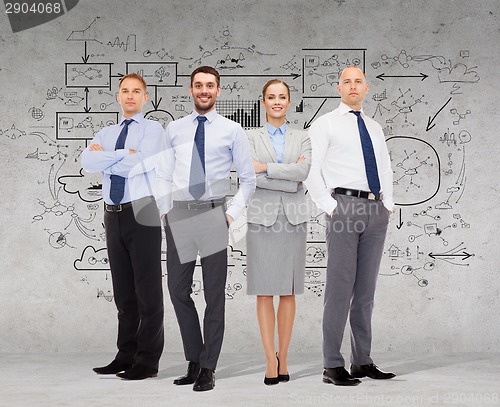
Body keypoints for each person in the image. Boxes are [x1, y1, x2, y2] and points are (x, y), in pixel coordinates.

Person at [157, 66, 256, 392]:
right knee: (177, 291)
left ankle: (208, 367)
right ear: (190, 90)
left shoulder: (232, 130)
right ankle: (194, 359)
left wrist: (230, 215)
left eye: (210, 85)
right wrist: (165, 211)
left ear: (218, 90)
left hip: (214, 213)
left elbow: (248, 179)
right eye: (198, 85)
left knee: (214, 295)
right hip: (180, 215)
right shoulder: (174, 129)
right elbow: (162, 173)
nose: (204, 90)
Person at [305, 66, 395, 386]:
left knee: (366, 291)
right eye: (347, 81)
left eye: (358, 81)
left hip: (375, 210)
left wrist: (388, 205)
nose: (353, 86)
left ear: (366, 88)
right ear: (338, 87)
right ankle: (332, 364)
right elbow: (310, 170)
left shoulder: (374, 127)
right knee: (340, 289)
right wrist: (330, 208)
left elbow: (384, 167)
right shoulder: (325, 123)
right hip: (343, 206)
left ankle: (362, 361)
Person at [81, 73, 164, 380]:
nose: (130, 96)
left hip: (142, 209)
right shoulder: (106, 131)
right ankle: (125, 353)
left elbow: (143, 163)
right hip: (112, 213)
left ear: (145, 98)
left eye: (136, 91)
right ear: (118, 97)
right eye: (125, 91)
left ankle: (147, 359)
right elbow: (86, 162)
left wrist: (108, 159)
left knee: (147, 290)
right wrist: (122, 155)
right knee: (124, 292)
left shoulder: (153, 130)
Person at [245, 79, 311, 385]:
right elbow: (250, 175)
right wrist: (289, 175)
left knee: (288, 290)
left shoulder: (303, 136)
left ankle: (283, 359)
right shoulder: (249, 137)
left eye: (282, 97)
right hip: (262, 218)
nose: (276, 102)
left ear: (288, 101)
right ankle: (268, 359)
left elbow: (304, 172)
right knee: (263, 290)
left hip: (294, 219)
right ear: (263, 101)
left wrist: (267, 168)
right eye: (271, 97)